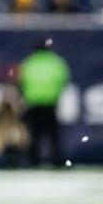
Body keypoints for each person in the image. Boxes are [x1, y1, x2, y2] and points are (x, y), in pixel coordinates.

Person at [18, 39, 70, 168]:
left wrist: (28, 94)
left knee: (34, 135)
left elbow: (21, 80)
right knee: (53, 135)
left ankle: (33, 160)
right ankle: (56, 160)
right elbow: (63, 78)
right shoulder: (55, 62)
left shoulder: (29, 62)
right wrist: (54, 93)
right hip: (50, 103)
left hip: (33, 103)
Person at [0, 87, 30, 169]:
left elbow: (23, 136)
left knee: (20, 160)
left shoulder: (19, 114)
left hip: (16, 145)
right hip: (0, 144)